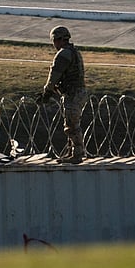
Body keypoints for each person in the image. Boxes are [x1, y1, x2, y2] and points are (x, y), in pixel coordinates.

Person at [37, 25, 87, 164]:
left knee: (71, 125)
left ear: (57, 40)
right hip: (79, 92)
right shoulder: (75, 52)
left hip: (73, 93)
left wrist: (47, 92)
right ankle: (72, 152)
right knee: (71, 122)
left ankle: (77, 154)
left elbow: (54, 76)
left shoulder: (63, 54)